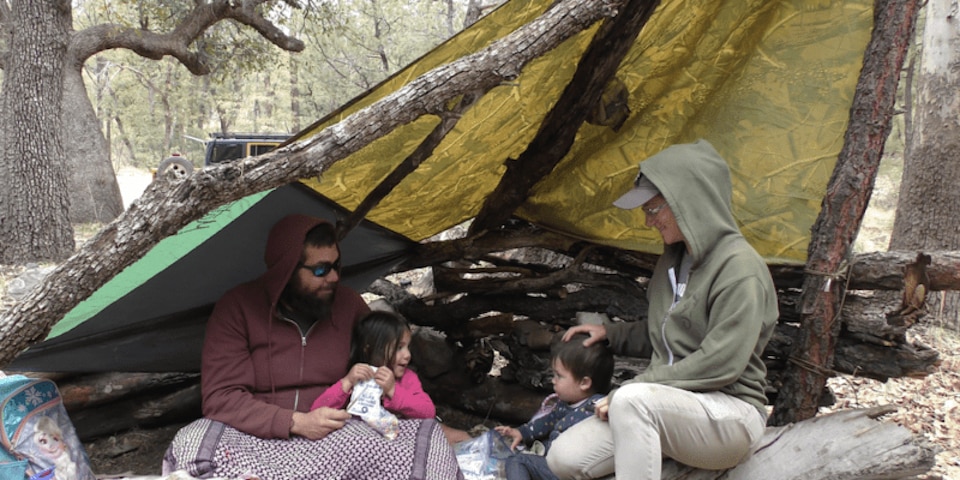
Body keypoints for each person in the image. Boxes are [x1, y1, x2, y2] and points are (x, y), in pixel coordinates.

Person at [163, 214, 463, 479]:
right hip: (254, 440)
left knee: (429, 447)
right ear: (286, 270)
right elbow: (221, 398)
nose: (333, 277)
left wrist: (431, 424)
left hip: (338, 440)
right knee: (193, 441)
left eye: (336, 266)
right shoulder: (237, 308)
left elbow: (389, 370)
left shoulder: (349, 306)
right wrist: (295, 422)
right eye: (320, 270)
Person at [546, 139, 779, 479]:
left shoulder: (740, 271)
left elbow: (721, 362)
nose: (647, 222)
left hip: (729, 414)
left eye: (653, 210)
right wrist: (611, 335)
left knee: (631, 400)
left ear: (688, 203)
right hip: (668, 409)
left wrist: (638, 385)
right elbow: (670, 329)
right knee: (563, 458)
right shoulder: (674, 260)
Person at [495, 334, 614, 480]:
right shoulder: (564, 404)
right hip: (557, 468)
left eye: (559, 376)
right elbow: (546, 422)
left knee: (519, 460)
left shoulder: (599, 407)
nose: (553, 380)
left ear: (584, 383)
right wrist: (522, 432)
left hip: (570, 471)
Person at [311, 310, 436, 420]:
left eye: (408, 347)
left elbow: (428, 412)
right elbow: (316, 411)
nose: (407, 355)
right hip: (355, 440)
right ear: (370, 349)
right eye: (399, 348)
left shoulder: (407, 378)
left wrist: (392, 390)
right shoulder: (356, 375)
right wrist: (347, 382)